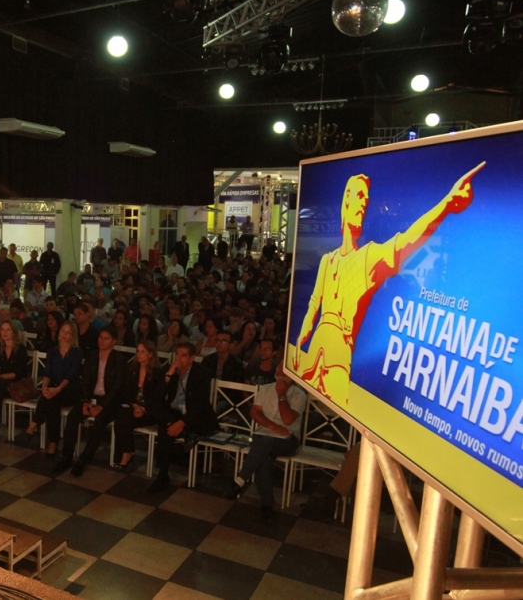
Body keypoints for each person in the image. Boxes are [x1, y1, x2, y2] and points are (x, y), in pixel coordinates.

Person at [293, 163, 484, 400]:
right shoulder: (327, 260)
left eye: (366, 199)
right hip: (315, 348)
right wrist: (299, 343)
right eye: (360, 196)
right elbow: (313, 305)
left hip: (339, 353)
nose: (364, 204)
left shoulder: (368, 257)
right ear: (347, 201)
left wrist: (446, 203)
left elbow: (407, 240)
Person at [225, 363, 307, 525]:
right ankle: (267, 507)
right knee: (265, 459)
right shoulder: (265, 389)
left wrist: (281, 395)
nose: (280, 373)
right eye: (278, 369)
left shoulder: (299, 395)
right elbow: (254, 412)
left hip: (288, 439)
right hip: (264, 434)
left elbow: (287, 420)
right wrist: (272, 426)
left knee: (265, 444)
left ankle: (240, 480)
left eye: (285, 371)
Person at [54, 327, 127, 476]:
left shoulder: (119, 360)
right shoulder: (92, 356)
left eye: (106, 338)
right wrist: (86, 401)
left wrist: (101, 406)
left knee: (99, 422)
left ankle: (83, 460)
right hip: (91, 397)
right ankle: (66, 457)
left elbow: (117, 388)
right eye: (100, 337)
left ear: (113, 341)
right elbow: (85, 381)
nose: (101, 341)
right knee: (73, 417)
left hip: (109, 402)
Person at [146, 343, 217, 493]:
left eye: (183, 355)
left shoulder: (202, 373)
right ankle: (163, 474)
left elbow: (199, 405)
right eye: (177, 354)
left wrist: (182, 423)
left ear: (192, 358)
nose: (179, 358)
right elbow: (157, 396)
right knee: (157, 411)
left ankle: (163, 474)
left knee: (164, 429)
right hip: (174, 413)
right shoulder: (169, 369)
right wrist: (168, 376)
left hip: (195, 415)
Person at [22, 320, 83, 457]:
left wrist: (57, 389)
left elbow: (70, 376)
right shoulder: (52, 351)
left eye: (68, 333)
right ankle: (53, 442)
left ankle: (34, 424)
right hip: (54, 388)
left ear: (73, 335)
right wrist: (44, 388)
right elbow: (47, 373)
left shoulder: (77, 352)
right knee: (51, 401)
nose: (64, 335)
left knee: (51, 399)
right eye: (63, 331)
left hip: (71, 389)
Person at [113, 340, 165, 468]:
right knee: (122, 418)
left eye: (143, 351)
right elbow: (126, 393)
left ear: (150, 354)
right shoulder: (132, 369)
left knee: (122, 420)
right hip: (132, 407)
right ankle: (127, 452)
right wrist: (136, 406)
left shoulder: (158, 373)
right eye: (138, 351)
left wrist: (143, 408)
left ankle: (125, 454)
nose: (139, 354)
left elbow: (157, 397)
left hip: (149, 411)